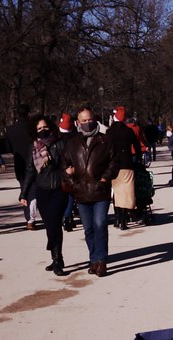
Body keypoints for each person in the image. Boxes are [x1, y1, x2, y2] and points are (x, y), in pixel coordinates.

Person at [62, 107, 120, 277]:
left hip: (100, 190)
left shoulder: (105, 140)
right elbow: (64, 165)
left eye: (90, 119)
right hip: (80, 192)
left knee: (100, 224)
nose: (87, 123)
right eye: (84, 120)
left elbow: (114, 162)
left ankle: (101, 261)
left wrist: (105, 178)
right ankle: (93, 258)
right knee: (88, 228)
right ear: (77, 123)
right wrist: (72, 181)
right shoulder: (72, 143)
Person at [21, 117, 70, 276]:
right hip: (42, 189)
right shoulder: (34, 147)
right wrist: (24, 193)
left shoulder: (60, 143)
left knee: (55, 223)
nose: (43, 130)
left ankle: (57, 261)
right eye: (39, 128)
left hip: (58, 189)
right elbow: (30, 170)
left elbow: (66, 164)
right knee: (50, 225)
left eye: (45, 127)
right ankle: (56, 257)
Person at [106, 106, 140, 230]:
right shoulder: (128, 131)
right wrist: (139, 159)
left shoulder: (109, 132)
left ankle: (117, 218)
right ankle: (123, 220)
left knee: (116, 193)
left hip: (113, 165)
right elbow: (136, 146)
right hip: (127, 165)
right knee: (126, 193)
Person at [5, 104, 33, 227]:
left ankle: (29, 218)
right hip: (33, 160)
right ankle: (32, 216)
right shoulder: (32, 128)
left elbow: (8, 147)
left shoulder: (10, 129)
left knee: (24, 189)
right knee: (34, 189)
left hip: (19, 162)